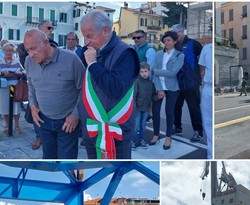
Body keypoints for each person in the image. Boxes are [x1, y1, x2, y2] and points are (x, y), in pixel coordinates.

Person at [77, 9, 139, 159]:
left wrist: (93, 64)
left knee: (116, 171)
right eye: (84, 36)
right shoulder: (89, 50)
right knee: (94, 170)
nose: (86, 42)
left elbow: (115, 89)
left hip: (116, 129)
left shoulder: (125, 53)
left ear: (105, 31)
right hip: (91, 126)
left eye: (89, 36)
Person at [24, 29, 85, 159]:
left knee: (66, 162)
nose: (31, 54)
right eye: (28, 50)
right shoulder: (29, 61)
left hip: (67, 121)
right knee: (48, 159)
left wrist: (75, 115)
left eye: (33, 48)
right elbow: (31, 85)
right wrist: (33, 105)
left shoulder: (71, 60)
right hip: (43, 119)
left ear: (46, 42)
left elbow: (85, 89)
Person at [17, 20, 58, 151]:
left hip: (52, 90)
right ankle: (38, 137)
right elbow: (26, 63)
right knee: (35, 113)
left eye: (52, 28)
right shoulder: (24, 48)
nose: (51, 30)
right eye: (48, 28)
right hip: (37, 86)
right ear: (40, 29)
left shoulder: (55, 46)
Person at [150, 31, 184, 150]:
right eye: (164, 41)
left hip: (173, 88)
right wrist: (159, 88)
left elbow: (173, 73)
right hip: (159, 86)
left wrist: (156, 71)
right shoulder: (158, 54)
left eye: (169, 40)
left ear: (175, 41)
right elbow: (153, 74)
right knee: (155, 112)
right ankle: (155, 134)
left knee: (170, 112)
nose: (166, 42)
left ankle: (168, 137)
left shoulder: (180, 55)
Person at [170, 24, 203, 142]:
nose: (174, 35)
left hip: (191, 83)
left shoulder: (194, 44)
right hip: (176, 83)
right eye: (172, 33)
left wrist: (198, 78)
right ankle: (177, 127)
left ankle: (198, 131)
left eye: (176, 32)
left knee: (193, 108)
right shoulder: (172, 46)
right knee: (176, 106)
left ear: (183, 31)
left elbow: (202, 63)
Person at [0, 42, 25, 134]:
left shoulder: (16, 61)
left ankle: (17, 124)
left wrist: (20, 73)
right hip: (3, 87)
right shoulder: (0, 61)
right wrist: (2, 73)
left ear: (13, 51)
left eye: (10, 51)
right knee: (4, 106)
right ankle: (6, 124)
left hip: (14, 87)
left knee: (15, 106)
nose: (8, 53)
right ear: (4, 51)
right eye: (7, 51)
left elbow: (24, 71)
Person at [132, 62, 156, 150]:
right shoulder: (137, 82)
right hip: (138, 108)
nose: (144, 73)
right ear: (139, 73)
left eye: (145, 71)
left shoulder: (151, 83)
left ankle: (142, 140)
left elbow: (153, 96)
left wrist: (159, 96)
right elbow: (134, 95)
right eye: (141, 72)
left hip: (146, 108)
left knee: (143, 125)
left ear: (149, 71)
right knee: (136, 125)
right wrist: (134, 107)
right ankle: (133, 141)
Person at [199, 42, 212, 160]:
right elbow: (202, 69)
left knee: (209, 123)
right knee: (208, 123)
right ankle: (210, 154)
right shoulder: (207, 48)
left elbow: (202, 69)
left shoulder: (207, 48)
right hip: (208, 88)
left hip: (209, 87)